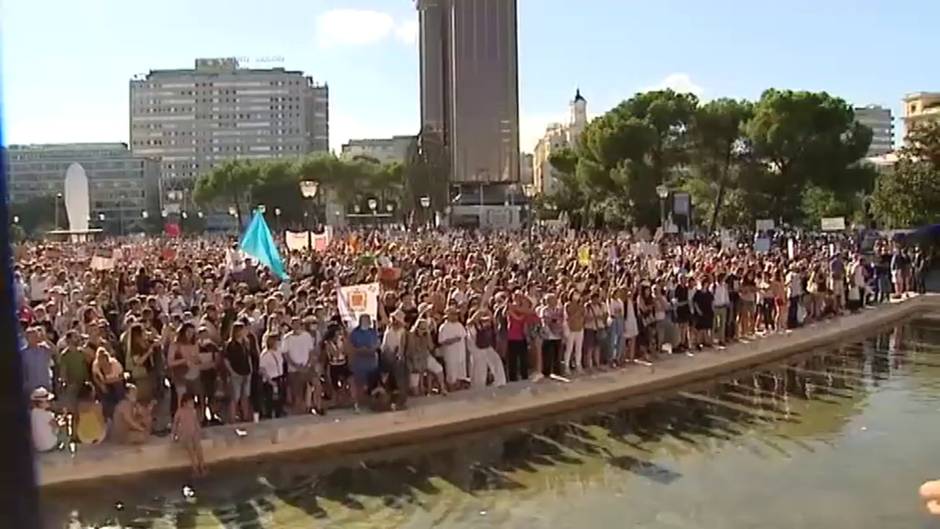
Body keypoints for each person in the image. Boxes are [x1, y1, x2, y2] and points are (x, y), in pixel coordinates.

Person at [466, 308, 507, 388]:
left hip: (486, 348)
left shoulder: (484, 324)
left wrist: (486, 311)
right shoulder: (471, 325)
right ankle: (478, 389)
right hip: (476, 351)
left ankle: (500, 383)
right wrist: (479, 312)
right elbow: (470, 322)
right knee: (479, 372)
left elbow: (491, 319)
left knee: (496, 362)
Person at [282, 317, 315, 415]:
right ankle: (299, 412)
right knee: (297, 391)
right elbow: (285, 354)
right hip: (293, 369)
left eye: (298, 323)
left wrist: (308, 364)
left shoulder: (307, 336)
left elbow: (311, 351)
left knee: (311, 387)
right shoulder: (287, 338)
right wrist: (296, 366)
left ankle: (310, 407)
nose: (296, 326)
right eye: (294, 324)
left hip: (306, 367)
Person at [348, 314, 380, 410]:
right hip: (359, 362)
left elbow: (377, 343)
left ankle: (371, 402)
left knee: (372, 382)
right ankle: (358, 402)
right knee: (359, 383)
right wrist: (360, 350)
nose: (367, 321)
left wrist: (372, 349)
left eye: (368, 320)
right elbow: (351, 347)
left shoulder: (372, 332)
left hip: (371, 361)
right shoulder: (354, 333)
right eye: (365, 319)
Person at [224, 322, 254, 423]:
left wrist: (250, 368)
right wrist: (231, 372)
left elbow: (248, 356)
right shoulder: (230, 345)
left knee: (245, 396)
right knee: (235, 397)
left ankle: (245, 417)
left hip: (246, 372)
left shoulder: (246, 343)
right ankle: (232, 418)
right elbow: (226, 360)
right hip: (236, 373)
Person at [172, 393, 207, 477]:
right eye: (190, 402)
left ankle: (202, 466)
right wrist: (174, 434)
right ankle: (195, 468)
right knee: (191, 450)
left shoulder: (193, 411)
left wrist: (200, 431)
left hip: (194, 432)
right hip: (185, 433)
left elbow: (196, 422)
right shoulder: (180, 411)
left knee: (199, 449)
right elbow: (175, 424)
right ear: (184, 403)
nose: (192, 404)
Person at [437, 307, 468, 389]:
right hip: (451, 356)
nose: (455, 316)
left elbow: (464, 337)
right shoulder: (443, 327)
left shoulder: (459, 325)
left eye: (456, 314)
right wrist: (453, 340)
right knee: (451, 377)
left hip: (460, 355)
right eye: (453, 314)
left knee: (460, 376)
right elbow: (441, 341)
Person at [90, 347, 124, 420]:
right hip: (104, 384)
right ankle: (107, 416)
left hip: (116, 382)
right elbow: (95, 377)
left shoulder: (115, 364)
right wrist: (101, 385)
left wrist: (110, 381)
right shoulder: (95, 365)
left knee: (119, 391)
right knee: (103, 396)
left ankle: (120, 412)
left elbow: (121, 377)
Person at [258, 333, 285, 419]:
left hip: (279, 377)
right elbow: (261, 369)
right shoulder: (265, 354)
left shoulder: (278, 352)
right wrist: (270, 381)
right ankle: (269, 415)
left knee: (280, 398)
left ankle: (279, 413)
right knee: (270, 400)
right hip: (270, 379)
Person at [30, 387, 62, 452]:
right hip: (48, 446)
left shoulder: (32, 413)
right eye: (48, 401)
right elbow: (56, 425)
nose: (50, 403)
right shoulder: (47, 414)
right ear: (40, 403)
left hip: (37, 446)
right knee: (61, 432)